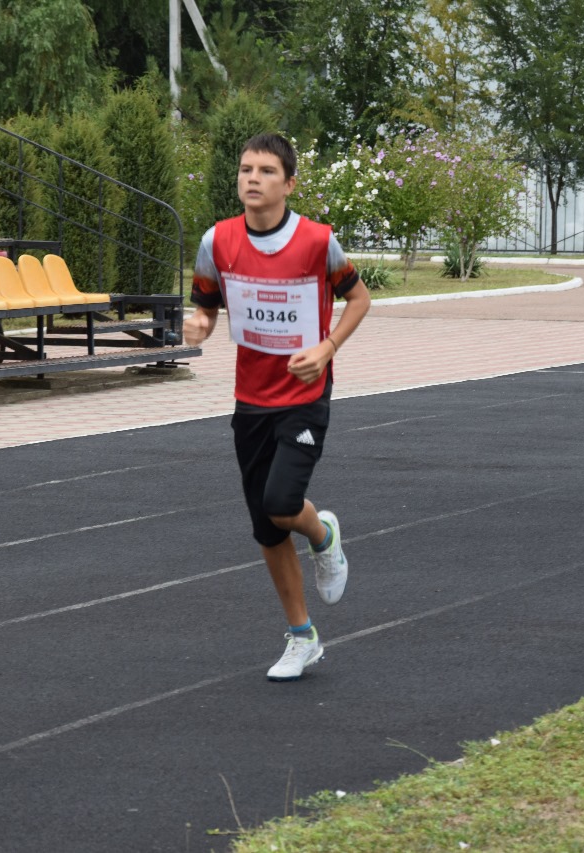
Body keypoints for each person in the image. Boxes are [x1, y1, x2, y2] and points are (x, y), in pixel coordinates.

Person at [183, 133, 371, 680]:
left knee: (282, 503)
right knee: (266, 528)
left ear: (288, 184)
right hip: (251, 400)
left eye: (266, 171)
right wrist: (200, 325)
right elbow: (206, 307)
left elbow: (358, 298)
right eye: (245, 169)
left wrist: (327, 346)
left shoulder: (318, 243)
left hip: (305, 395)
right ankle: (301, 636)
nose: (252, 179)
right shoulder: (216, 242)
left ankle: (323, 535)